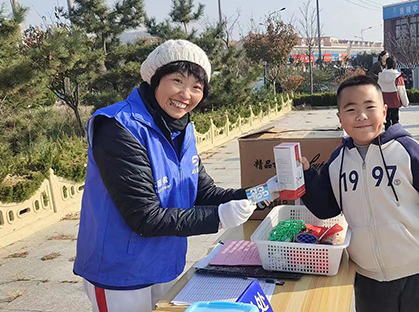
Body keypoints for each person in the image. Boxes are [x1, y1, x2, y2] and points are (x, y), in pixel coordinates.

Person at [74, 40, 272, 312]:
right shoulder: (118, 127)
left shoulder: (182, 129)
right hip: (119, 274)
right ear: (155, 80)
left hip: (165, 265)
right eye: (177, 80)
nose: (186, 94)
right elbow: (144, 216)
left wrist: (266, 191)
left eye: (196, 87)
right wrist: (219, 217)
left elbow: (204, 193)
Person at [290, 75, 419, 312]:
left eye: (369, 107)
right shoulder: (337, 162)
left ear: (384, 111)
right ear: (340, 117)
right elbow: (327, 209)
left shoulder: (409, 152)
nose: (361, 116)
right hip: (368, 278)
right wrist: (307, 177)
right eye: (351, 109)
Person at [377, 56, 407, 129]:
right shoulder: (398, 76)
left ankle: (388, 134)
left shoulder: (380, 76)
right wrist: (405, 102)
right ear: (395, 64)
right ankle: (395, 134)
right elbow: (401, 90)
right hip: (395, 100)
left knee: (386, 120)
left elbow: (378, 89)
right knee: (395, 120)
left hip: (384, 100)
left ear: (386, 64)